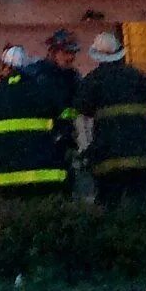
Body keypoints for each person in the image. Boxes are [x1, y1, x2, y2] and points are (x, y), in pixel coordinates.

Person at [75, 30, 146, 209]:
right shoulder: (136, 76)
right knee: (138, 203)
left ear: (97, 56)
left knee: (110, 204)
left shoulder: (93, 80)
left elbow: (81, 107)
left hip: (109, 156)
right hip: (140, 154)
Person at [0, 45, 72, 199]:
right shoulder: (44, 91)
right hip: (44, 174)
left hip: (6, 175)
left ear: (6, 68)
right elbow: (63, 116)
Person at [26, 27, 84, 194]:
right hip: (40, 140)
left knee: (66, 184)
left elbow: (79, 105)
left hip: (64, 140)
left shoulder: (72, 77)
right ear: (53, 52)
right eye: (66, 52)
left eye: (73, 53)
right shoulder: (37, 75)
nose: (71, 57)